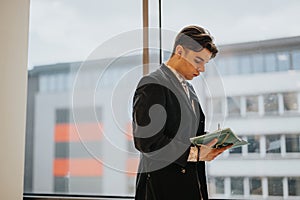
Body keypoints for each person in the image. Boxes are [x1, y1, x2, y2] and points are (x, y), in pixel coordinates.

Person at [132, 25, 232, 200]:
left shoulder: (189, 88)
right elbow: (146, 142)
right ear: (179, 51)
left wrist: (212, 141)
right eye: (198, 60)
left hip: (190, 186)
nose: (202, 69)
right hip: (162, 189)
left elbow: (185, 134)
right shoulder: (153, 83)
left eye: (205, 63)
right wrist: (196, 153)